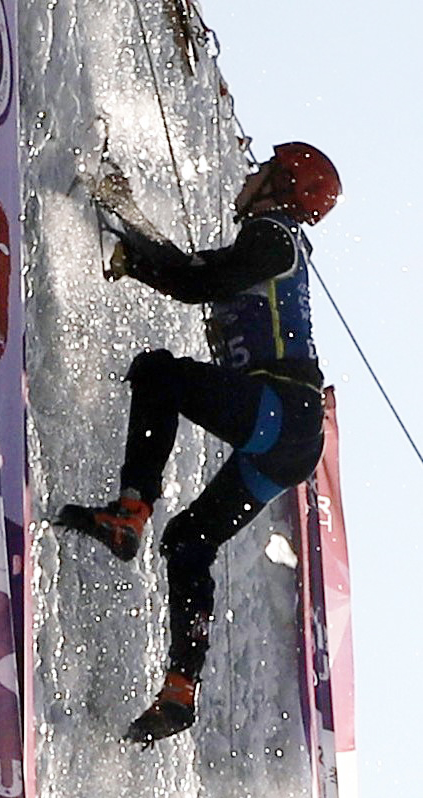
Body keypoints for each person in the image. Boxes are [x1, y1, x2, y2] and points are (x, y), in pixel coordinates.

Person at [55, 140, 342, 743]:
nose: (249, 175)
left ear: (280, 188)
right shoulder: (267, 246)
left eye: (262, 171)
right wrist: (130, 221)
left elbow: (194, 282)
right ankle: (181, 690)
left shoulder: (272, 235)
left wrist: (133, 256)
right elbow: (192, 271)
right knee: (189, 541)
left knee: (160, 373)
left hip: (281, 413)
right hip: (288, 442)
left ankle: (130, 510)